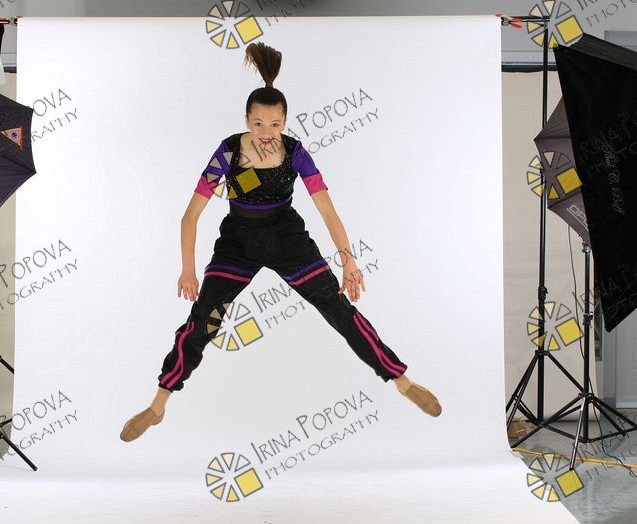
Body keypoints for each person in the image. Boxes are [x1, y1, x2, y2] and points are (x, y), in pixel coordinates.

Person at [120, 42, 441, 442]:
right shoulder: (228, 152)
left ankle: (403, 381)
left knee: (338, 309)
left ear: (285, 122)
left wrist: (348, 260)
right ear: (246, 121)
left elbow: (327, 211)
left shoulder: (295, 153)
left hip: (287, 239)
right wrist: (188, 269)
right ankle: (158, 404)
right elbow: (191, 215)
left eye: (274, 125)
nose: (266, 133)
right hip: (237, 242)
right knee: (203, 320)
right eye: (258, 124)